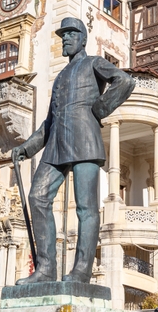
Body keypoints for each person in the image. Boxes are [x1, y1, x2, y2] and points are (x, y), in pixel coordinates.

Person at [11, 17, 134, 284]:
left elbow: (124, 81)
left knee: (86, 208)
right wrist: (27, 148)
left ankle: (81, 271)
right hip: (56, 144)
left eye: (71, 33)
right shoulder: (60, 77)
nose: (65, 38)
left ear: (82, 39)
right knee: (37, 197)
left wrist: (101, 108)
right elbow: (49, 122)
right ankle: (46, 270)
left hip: (85, 141)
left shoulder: (93, 63)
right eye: (63, 35)